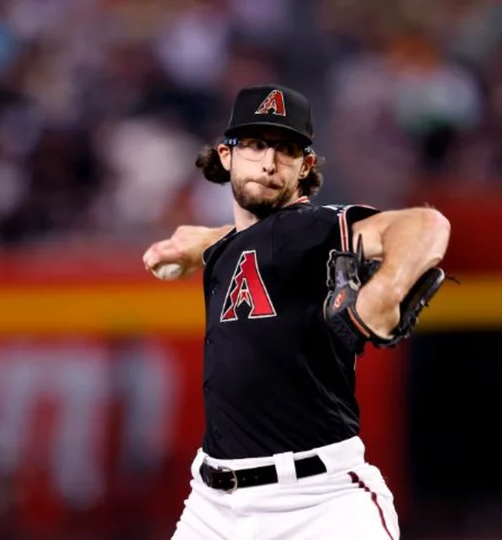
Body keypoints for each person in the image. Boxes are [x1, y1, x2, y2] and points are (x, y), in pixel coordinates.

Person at [143, 84, 450, 539]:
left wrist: (384, 291)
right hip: (211, 505)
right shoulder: (230, 245)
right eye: (254, 145)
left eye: (286, 149)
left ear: (306, 167)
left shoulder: (317, 229)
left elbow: (425, 224)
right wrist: (206, 243)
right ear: (226, 157)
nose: (268, 162)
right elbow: (255, 241)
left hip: (319, 504)